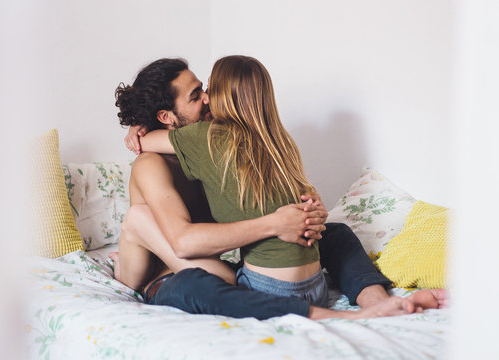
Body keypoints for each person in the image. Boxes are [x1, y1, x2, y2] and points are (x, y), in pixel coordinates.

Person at [113, 58, 447, 320]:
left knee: (335, 233)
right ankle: (336, 317)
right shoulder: (153, 163)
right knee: (198, 283)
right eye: (196, 96)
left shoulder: (217, 143)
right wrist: (276, 223)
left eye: (204, 89)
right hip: (172, 273)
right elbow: (184, 243)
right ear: (168, 117)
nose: (209, 99)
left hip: (217, 262)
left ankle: (379, 303)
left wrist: (308, 214)